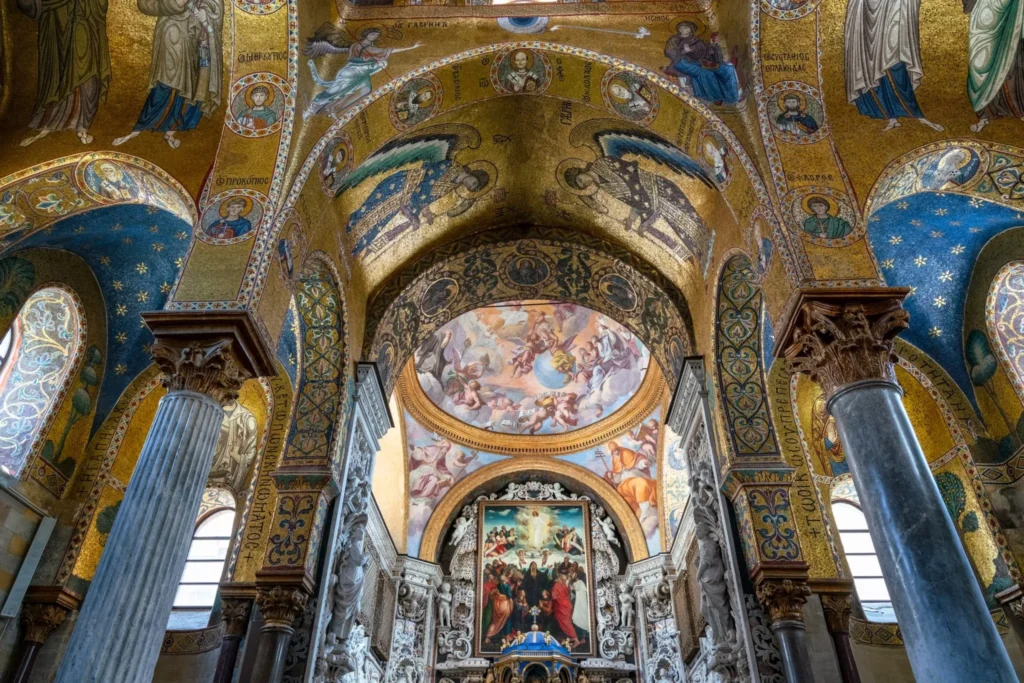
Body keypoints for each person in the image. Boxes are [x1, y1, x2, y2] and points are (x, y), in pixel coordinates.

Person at [113, 0, 225, 149]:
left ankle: (171, 130)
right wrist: (174, 4)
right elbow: (146, 5)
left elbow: (215, 5)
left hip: (198, 37)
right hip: (172, 32)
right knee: (167, 81)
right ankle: (141, 127)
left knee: (196, 85)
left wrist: (206, 14)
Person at [18, 0, 110, 146]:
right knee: (56, 79)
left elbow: (101, 5)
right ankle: (48, 123)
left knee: (88, 74)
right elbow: (30, 5)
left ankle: (83, 126)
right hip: (56, 25)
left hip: (85, 24)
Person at [844, 0, 943, 131]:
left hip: (893, 13)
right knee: (870, 67)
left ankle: (916, 114)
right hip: (866, 15)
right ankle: (891, 116)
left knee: (895, 65)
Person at [306, 28, 422, 119]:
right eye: (372, 34)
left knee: (366, 90)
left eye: (376, 35)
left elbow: (388, 51)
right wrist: (411, 48)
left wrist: (411, 48)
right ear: (366, 34)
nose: (374, 36)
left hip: (363, 74)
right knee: (334, 91)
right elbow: (384, 52)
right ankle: (311, 108)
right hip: (351, 72)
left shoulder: (374, 49)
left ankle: (334, 108)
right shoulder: (358, 46)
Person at [662, 21, 741, 104]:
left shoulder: (696, 40)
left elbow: (705, 51)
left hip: (699, 62)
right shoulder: (674, 40)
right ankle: (715, 97)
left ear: (691, 29)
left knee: (727, 69)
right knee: (706, 73)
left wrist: (713, 45)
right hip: (681, 63)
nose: (682, 29)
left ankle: (732, 96)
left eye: (686, 27)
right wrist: (683, 51)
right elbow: (669, 52)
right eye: (681, 27)